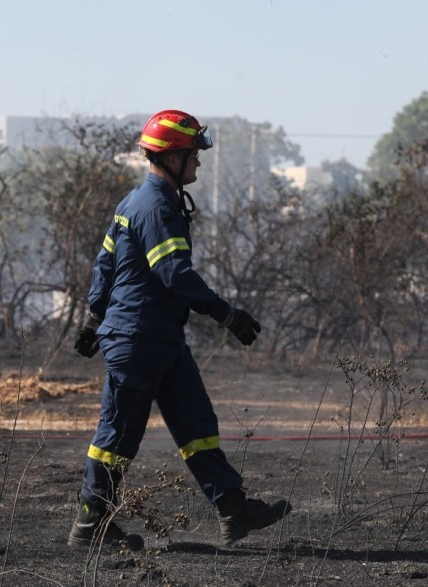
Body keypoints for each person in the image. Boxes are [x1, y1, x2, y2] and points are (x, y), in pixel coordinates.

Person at [68, 109, 291, 550]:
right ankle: (91, 526)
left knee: (196, 423)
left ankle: (233, 509)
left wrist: (94, 318)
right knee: (117, 436)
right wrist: (227, 314)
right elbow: (174, 273)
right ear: (172, 158)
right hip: (137, 338)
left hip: (159, 337)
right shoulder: (156, 207)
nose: (199, 163)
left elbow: (104, 265)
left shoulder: (137, 202)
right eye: (193, 155)